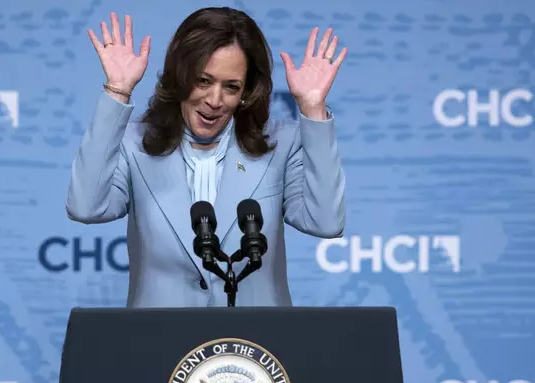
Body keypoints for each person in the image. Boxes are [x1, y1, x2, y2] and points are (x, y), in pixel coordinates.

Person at [66, 7, 347, 308]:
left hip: (254, 347)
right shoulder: (134, 144)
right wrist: (118, 92)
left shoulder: (280, 145)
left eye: (231, 87)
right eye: (203, 81)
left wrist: (313, 109)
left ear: (246, 92)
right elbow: (86, 207)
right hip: (160, 346)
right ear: (180, 76)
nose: (214, 101)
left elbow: (325, 222)